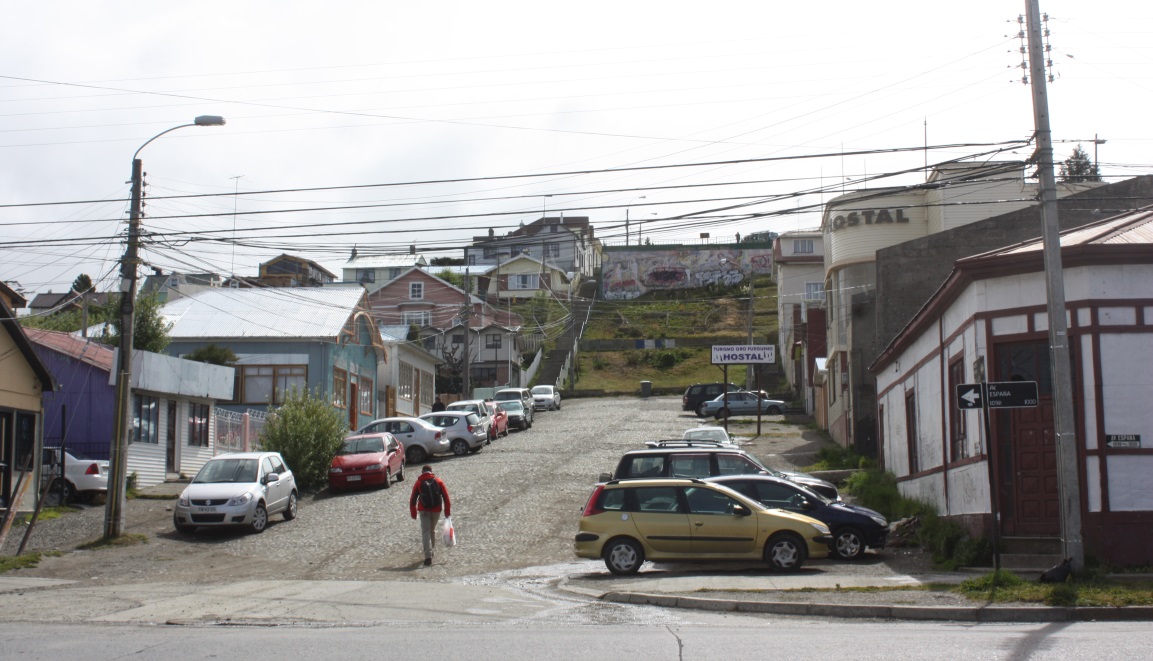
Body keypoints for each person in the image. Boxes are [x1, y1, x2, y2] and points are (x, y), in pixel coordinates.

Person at [409, 465, 451, 566]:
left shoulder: (418, 482)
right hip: (436, 510)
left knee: (425, 532)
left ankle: (428, 556)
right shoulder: (439, 481)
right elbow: (446, 497)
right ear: (431, 471)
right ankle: (432, 552)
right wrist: (447, 512)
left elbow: (413, 500)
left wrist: (413, 513)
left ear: (422, 472)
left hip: (424, 511)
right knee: (432, 530)